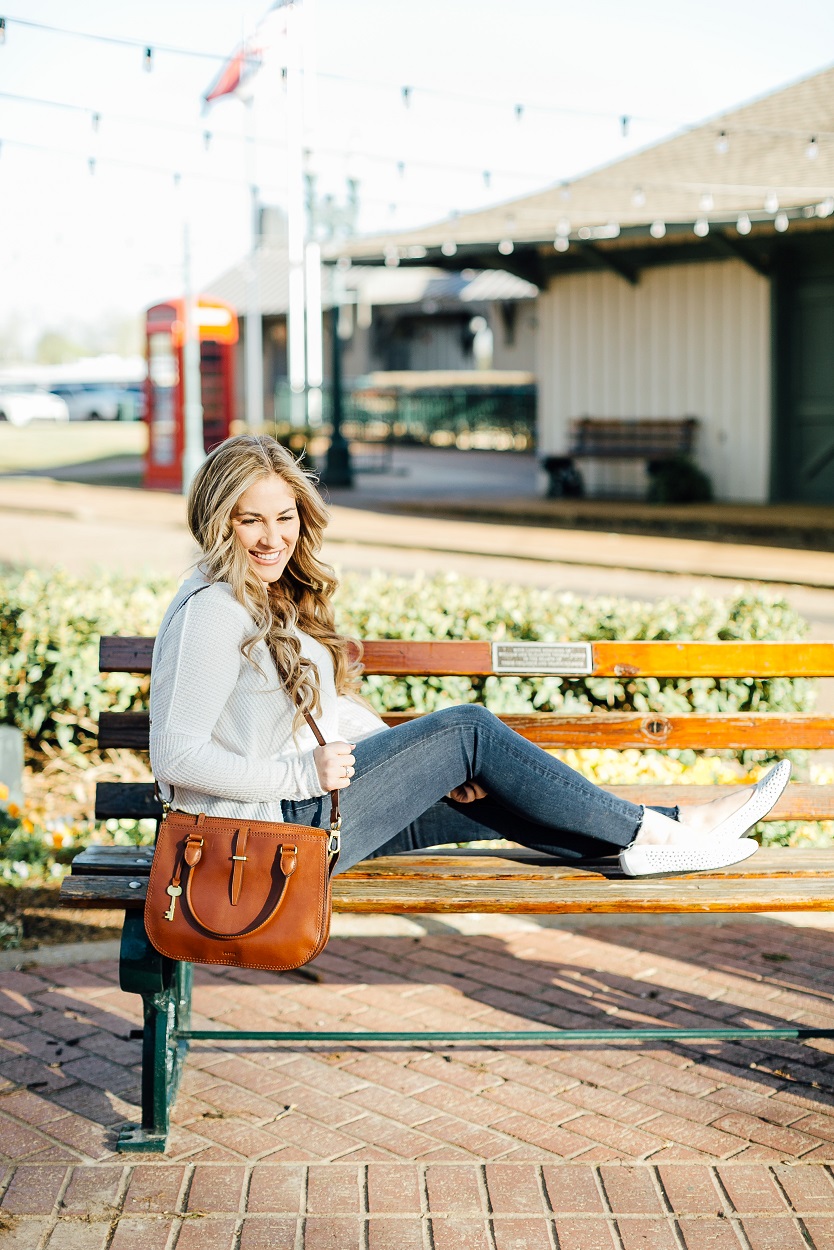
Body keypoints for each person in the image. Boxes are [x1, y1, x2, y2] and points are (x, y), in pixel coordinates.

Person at [149, 434, 790, 880]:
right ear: (216, 521)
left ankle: (668, 832)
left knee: (494, 804)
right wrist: (302, 778)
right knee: (467, 729)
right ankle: (668, 832)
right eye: (249, 520)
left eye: (285, 517)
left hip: (300, 819)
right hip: (269, 835)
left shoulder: (260, 595)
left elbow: (326, 711)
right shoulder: (213, 610)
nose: (274, 537)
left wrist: (420, 770)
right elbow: (176, 755)